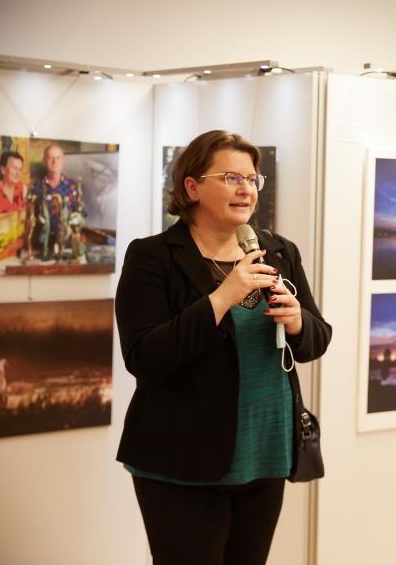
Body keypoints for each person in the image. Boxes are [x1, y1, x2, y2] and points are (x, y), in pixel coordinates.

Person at [114, 130, 332, 565]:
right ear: (192, 187)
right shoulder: (153, 256)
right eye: (231, 178)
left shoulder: (277, 251)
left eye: (252, 179)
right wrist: (221, 298)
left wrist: (297, 322)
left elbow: (317, 339)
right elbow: (145, 358)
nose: (246, 189)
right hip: (183, 461)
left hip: (267, 452)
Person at [30, 143, 82, 258]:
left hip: (67, 245)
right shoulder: (37, 187)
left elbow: (81, 213)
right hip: (42, 245)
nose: (55, 161)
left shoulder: (72, 186)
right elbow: (31, 215)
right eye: (50, 158)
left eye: (58, 158)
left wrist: (71, 226)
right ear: (44, 161)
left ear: (63, 161)